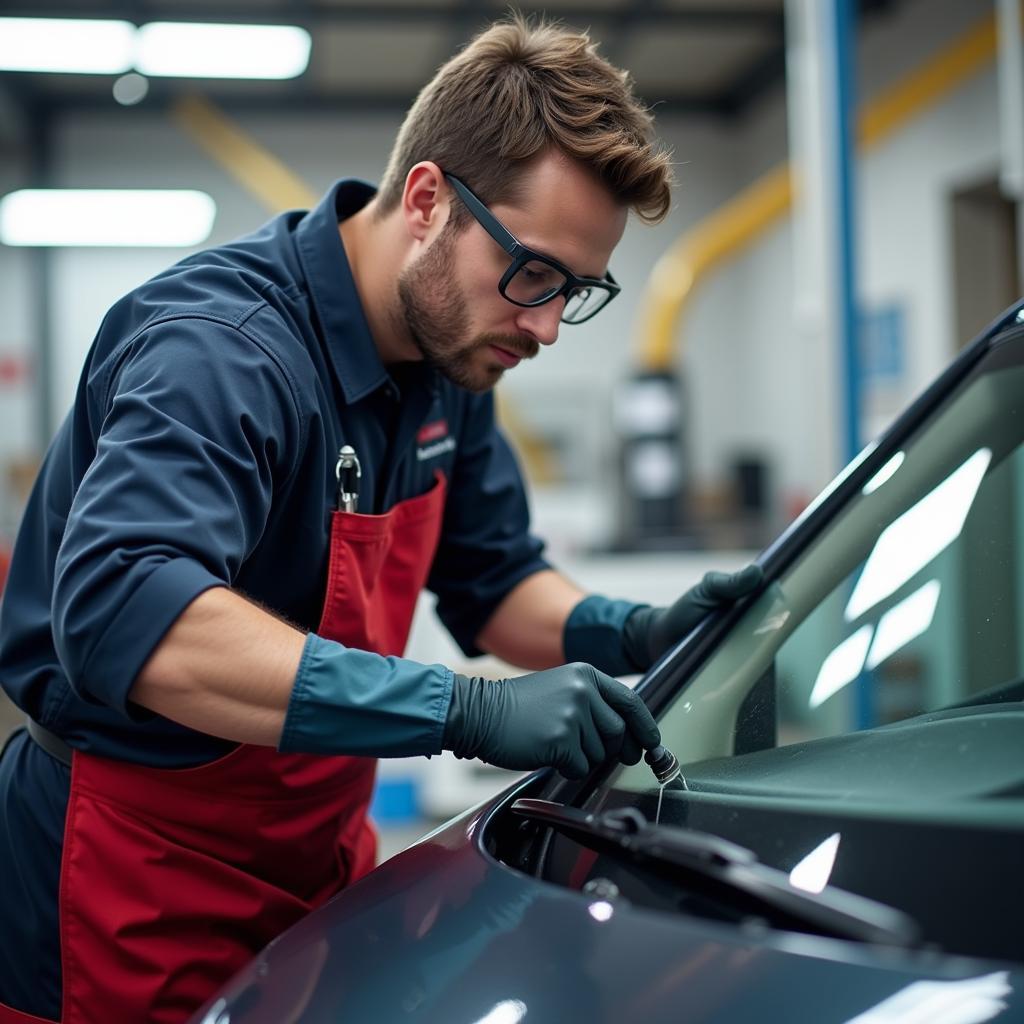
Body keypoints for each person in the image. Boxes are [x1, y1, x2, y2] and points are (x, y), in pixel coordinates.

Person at [0, 15, 761, 1023]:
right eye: (532, 273)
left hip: (317, 861)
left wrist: (627, 628)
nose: (543, 325)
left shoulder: (454, 360)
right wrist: (471, 709)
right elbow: (131, 620)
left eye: (575, 291)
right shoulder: (222, 349)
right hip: (128, 877)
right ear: (426, 198)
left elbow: (493, 580)